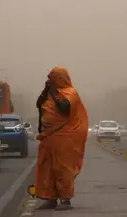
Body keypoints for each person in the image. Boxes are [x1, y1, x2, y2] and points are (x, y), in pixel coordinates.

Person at [34, 66, 89, 211]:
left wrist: (53, 91)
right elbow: (39, 105)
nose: (49, 80)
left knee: (62, 169)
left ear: (59, 78)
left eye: (52, 78)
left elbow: (64, 108)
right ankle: (50, 198)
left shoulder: (71, 93)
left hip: (65, 137)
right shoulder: (49, 93)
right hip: (49, 137)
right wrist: (46, 90)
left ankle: (66, 199)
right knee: (47, 168)